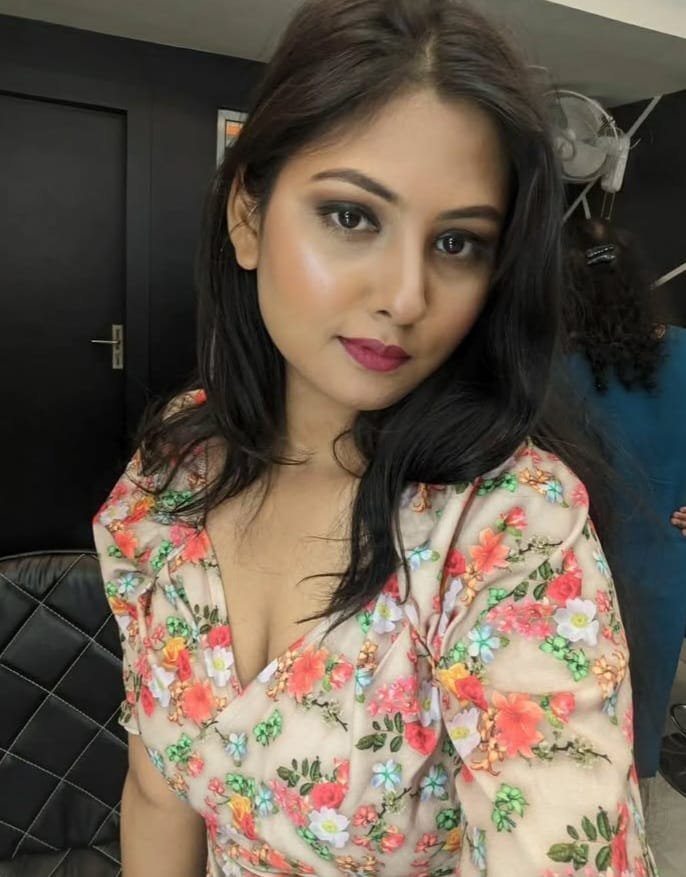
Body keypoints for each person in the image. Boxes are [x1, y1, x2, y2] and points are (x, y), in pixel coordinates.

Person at [93, 2, 657, 875]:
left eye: (458, 242)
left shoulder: (506, 528)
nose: (405, 296)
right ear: (248, 216)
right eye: (353, 217)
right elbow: (158, 790)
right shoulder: (175, 470)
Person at [564, 216, 686, 784]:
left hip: (578, 561)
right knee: (644, 692)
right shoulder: (685, 353)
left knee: (579, 702)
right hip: (664, 560)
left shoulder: (555, 374)